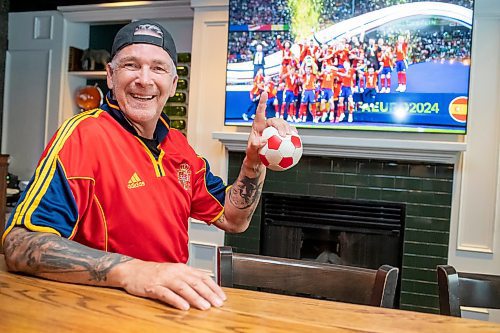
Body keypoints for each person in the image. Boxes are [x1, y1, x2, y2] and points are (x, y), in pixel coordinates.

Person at [2, 20, 295, 312]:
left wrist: (253, 164)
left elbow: (233, 219)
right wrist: (134, 271)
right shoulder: (82, 136)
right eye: (131, 65)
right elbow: (19, 244)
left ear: (173, 83)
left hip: (171, 307)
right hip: (101, 312)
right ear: (110, 76)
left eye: (158, 68)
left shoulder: (180, 147)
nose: (144, 79)